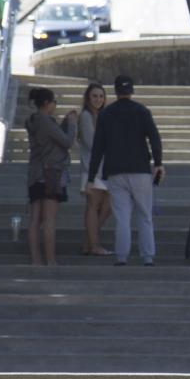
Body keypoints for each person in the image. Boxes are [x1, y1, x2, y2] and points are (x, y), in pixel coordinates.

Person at [86, 74, 164, 267]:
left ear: (115, 91)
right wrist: (158, 163)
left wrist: (91, 176)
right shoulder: (142, 111)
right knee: (144, 215)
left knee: (122, 217)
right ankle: (147, 256)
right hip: (140, 170)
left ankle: (122, 256)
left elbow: (98, 148)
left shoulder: (106, 114)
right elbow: (154, 138)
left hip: (115, 171)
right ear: (132, 91)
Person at [25, 86, 76, 267]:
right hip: (50, 172)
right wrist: (71, 123)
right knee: (49, 219)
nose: (55, 105)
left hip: (35, 172)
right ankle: (50, 259)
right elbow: (66, 141)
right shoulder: (45, 121)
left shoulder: (32, 120)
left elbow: (51, 138)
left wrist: (61, 124)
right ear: (46, 103)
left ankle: (36, 259)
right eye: (54, 102)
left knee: (35, 219)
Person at [75, 82, 113, 256]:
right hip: (92, 167)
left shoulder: (105, 115)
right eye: (94, 96)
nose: (98, 99)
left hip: (106, 168)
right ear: (88, 98)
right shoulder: (85, 116)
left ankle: (88, 242)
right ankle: (94, 244)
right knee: (93, 205)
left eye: (101, 96)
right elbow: (91, 143)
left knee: (107, 206)